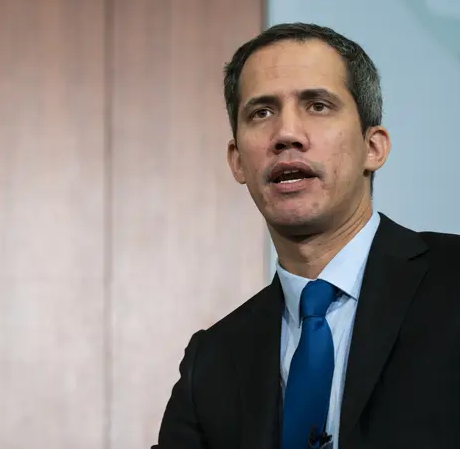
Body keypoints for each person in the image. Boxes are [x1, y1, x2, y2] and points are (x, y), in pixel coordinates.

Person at [151, 22, 460, 449]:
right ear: (238, 161)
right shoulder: (214, 362)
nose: (286, 134)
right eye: (261, 112)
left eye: (317, 105)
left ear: (374, 147)